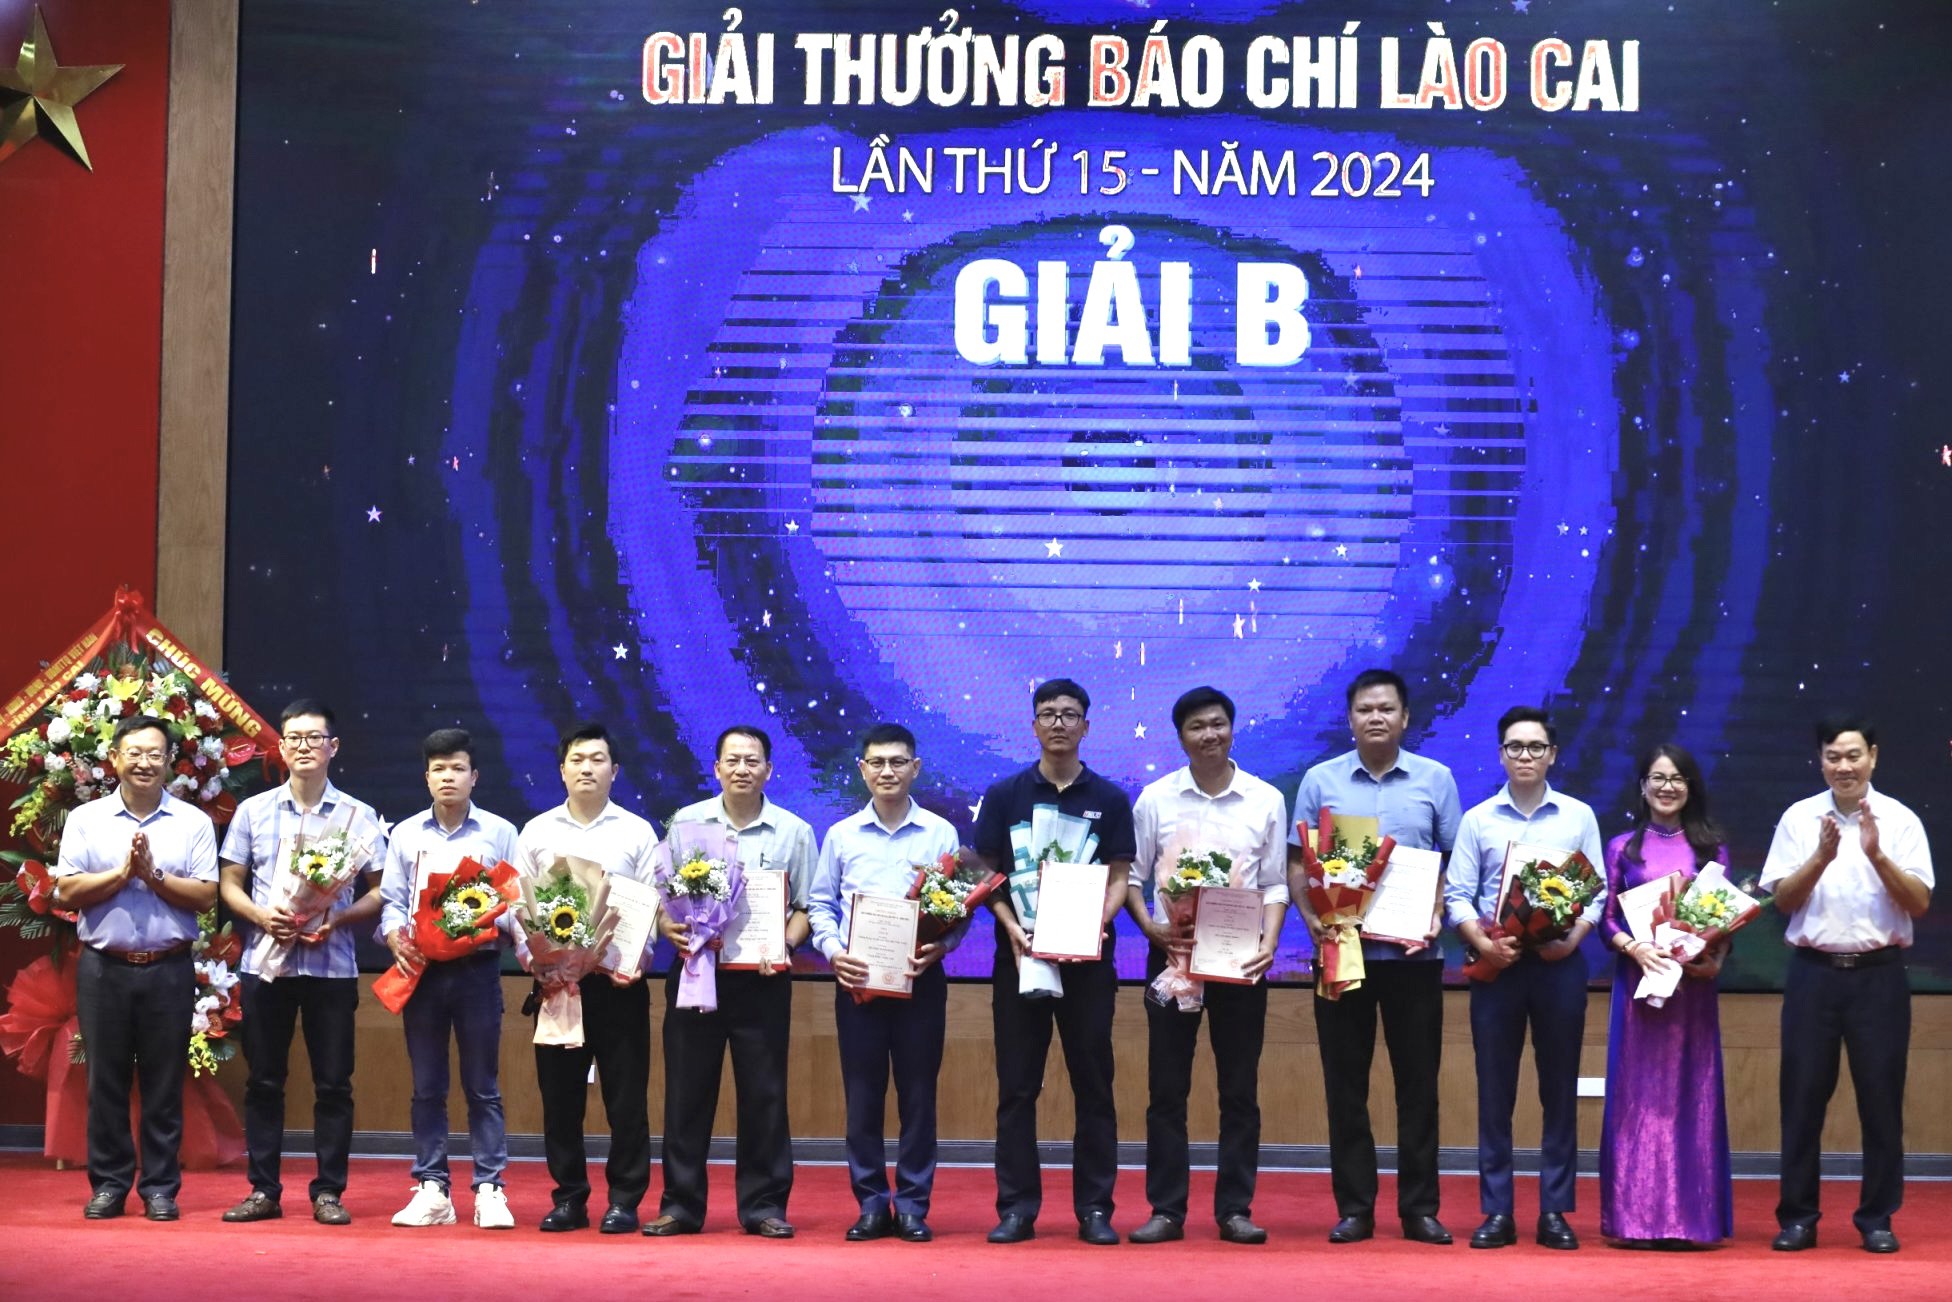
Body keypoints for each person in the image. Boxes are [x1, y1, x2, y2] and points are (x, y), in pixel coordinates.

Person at [1289, 669, 1461, 1246]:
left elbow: (1452, 862)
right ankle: (1355, 1208)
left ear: (1405, 717)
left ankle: (1420, 1209)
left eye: (1386, 708)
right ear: (1351, 718)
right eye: (1365, 709)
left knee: (1419, 1085)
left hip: (1413, 957)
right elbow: (1298, 862)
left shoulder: (1436, 779)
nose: (1376, 717)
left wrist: (1436, 914)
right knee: (1345, 1085)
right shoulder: (1320, 780)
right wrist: (1312, 920)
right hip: (1342, 952)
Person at [1760, 715, 1932, 1254]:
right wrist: (1821, 856)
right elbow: (1782, 902)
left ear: (1872, 757)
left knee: (1881, 1101)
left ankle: (1877, 1218)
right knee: (1802, 1100)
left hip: (1879, 976)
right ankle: (1798, 1218)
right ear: (1821, 761)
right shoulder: (1799, 818)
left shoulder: (1900, 820)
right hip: (1813, 974)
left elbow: (1919, 903)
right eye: (1833, 756)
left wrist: (1877, 854)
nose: (1844, 766)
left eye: (1853, 755)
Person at [974, 678, 1136, 1246]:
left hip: (1088, 963)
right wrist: (1011, 926)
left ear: (1086, 726)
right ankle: (1017, 1209)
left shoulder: (1110, 798)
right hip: (1020, 958)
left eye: (1070, 714)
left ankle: (1094, 1209)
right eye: (1048, 714)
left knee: (1094, 1085)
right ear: (1034, 725)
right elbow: (984, 873)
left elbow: (1120, 876)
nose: (1059, 723)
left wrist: (1095, 922)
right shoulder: (1005, 795)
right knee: (1017, 1088)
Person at [1125, 687, 1287, 1246]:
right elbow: (1132, 877)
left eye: (1218, 724)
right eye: (1197, 726)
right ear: (1181, 737)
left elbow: (1275, 883)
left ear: (1232, 728)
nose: (1209, 734)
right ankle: (1166, 1210)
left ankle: (1235, 1209)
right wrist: (1151, 928)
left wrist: (1269, 942)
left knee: (1239, 1089)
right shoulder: (1156, 799)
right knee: (1167, 1089)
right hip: (1172, 955)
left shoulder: (1265, 799)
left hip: (1241, 957)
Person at [218, 699, 387, 1226]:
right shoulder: (253, 811)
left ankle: (328, 1192)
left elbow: (381, 891)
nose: (303, 747)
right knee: (264, 1081)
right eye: (293, 738)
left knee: (333, 1083)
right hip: (265, 966)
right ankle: (263, 1191)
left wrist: (338, 917)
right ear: (282, 747)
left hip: (331, 967)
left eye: (314, 738)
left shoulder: (357, 815)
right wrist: (261, 916)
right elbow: (229, 883)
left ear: (333, 747)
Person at [1444, 705, 1604, 1251]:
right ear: (1501, 754)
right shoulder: (1478, 819)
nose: (1526, 756)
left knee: (1559, 1088)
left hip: (1559, 966)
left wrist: (1574, 939)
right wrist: (1483, 941)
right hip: (1498, 966)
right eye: (1515, 747)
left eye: (1536, 747)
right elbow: (1458, 895)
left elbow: (1596, 890)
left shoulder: (1578, 816)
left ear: (1552, 754)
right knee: (1495, 1090)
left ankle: (1555, 1210)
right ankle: (1497, 1211)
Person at [648, 724, 815, 1239]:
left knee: (764, 1094)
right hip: (695, 972)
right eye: (733, 760)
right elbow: (660, 896)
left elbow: (807, 906)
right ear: (716, 768)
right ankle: (681, 1205)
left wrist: (784, 946)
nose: (743, 769)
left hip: (762, 981)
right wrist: (667, 926)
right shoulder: (687, 823)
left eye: (753, 760)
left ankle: (764, 1205)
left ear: (769, 769)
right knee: (686, 1092)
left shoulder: (794, 832)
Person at [52, 713, 220, 1221]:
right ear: (115, 758)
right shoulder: (87, 819)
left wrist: (153, 875)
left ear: (169, 761)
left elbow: (205, 897)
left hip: (169, 968)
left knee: (163, 1083)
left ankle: (160, 1188)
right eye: (135, 753)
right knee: (105, 1082)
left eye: (155, 754)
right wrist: (123, 873)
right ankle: (109, 1185)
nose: (144, 762)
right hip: (104, 968)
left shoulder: (192, 822)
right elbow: (67, 890)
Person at [807, 723, 961, 1243]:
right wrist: (835, 952)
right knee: (863, 1097)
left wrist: (945, 945)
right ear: (862, 770)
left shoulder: (941, 833)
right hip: (858, 984)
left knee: (919, 1096)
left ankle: (913, 1205)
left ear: (915, 768)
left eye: (898, 762)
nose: (887, 771)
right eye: (877, 762)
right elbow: (821, 904)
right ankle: (871, 1204)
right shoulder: (842, 835)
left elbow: (957, 909)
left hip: (921, 982)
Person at [515, 722, 658, 1234]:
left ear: (614, 771)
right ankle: (569, 1197)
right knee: (560, 1099)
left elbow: (652, 906)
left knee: (626, 1098)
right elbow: (515, 906)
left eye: (598, 760)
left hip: (618, 986)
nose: (587, 768)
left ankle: (625, 1200)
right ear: (562, 770)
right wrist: (533, 959)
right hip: (556, 986)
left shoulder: (637, 832)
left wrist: (639, 959)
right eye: (577, 760)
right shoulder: (536, 832)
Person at [378, 727, 521, 1229]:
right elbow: (392, 901)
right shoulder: (406, 834)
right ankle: (432, 1187)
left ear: (474, 776)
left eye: (457, 768)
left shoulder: (499, 832)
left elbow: (515, 900)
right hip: (422, 972)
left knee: (483, 1085)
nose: (448, 777)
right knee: (427, 1085)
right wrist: (394, 936)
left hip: (477, 970)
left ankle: (490, 1189)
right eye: (438, 769)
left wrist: (490, 925)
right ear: (426, 777)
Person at [1597, 743, 1732, 1247]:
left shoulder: (1711, 848)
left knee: (1691, 1093)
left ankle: (1693, 1220)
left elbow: (1724, 918)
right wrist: (1635, 948)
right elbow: (1606, 919)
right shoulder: (1621, 848)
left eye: (1677, 778)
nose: (1667, 787)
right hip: (1639, 986)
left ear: (1690, 787)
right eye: (1657, 777)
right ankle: (1633, 1219)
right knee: (1638, 1096)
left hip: (1692, 989)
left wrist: (1713, 957)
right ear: (1642, 786)